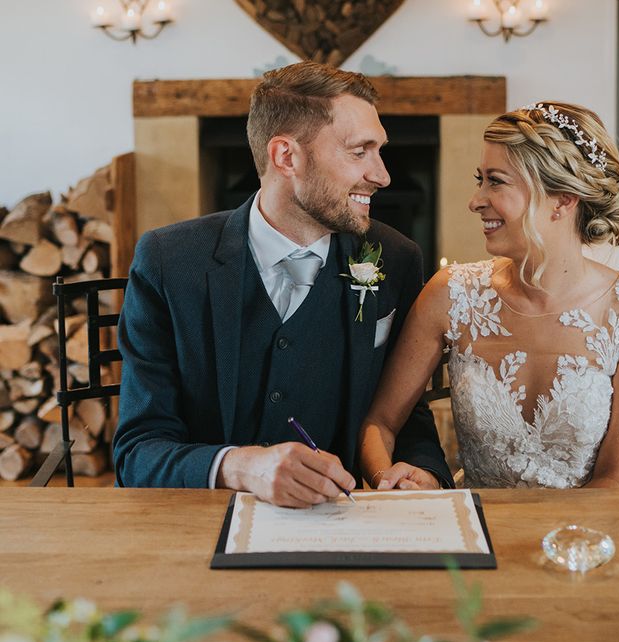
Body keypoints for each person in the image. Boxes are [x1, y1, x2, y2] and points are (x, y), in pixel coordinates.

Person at [113, 61, 452, 505]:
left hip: (343, 525)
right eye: (359, 151)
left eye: (379, 150)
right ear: (286, 156)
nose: (382, 175)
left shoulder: (397, 258)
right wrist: (241, 466)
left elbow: (406, 415)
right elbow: (137, 453)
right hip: (202, 532)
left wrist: (421, 471)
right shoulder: (169, 261)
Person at [360, 102, 619, 489]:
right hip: (478, 528)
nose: (475, 200)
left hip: (583, 538)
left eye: (496, 181)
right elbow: (381, 422)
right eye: (481, 180)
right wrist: (388, 479)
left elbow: (617, 481)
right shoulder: (451, 294)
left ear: (562, 199)